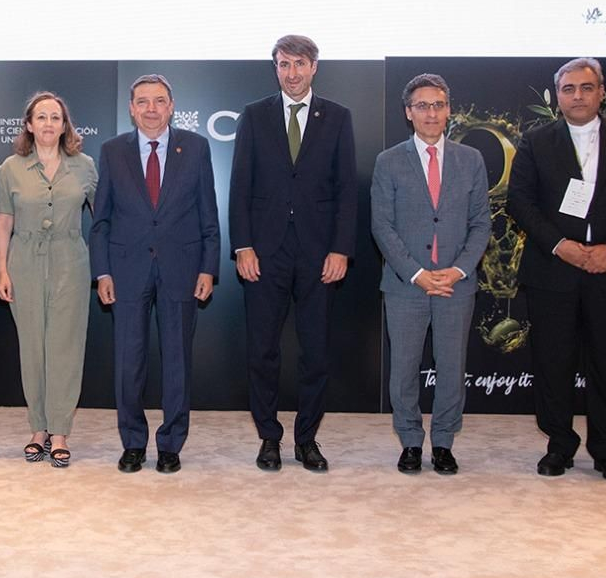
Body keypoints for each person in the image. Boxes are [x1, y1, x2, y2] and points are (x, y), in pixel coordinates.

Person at [507, 57, 606, 484]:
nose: (577, 96)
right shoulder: (536, 141)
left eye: (586, 87)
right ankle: (559, 444)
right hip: (553, 270)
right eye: (569, 89)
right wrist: (561, 246)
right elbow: (521, 201)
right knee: (553, 362)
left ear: (602, 92)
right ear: (557, 96)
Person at [230, 34, 357, 472]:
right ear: (276, 68)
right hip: (264, 254)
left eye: (300, 64)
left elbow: (346, 191)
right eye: (284, 65)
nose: (292, 73)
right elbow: (240, 186)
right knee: (262, 351)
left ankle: (307, 439)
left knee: (316, 352)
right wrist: (242, 246)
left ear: (314, 66)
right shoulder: (254, 115)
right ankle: (269, 437)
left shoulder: (338, 118)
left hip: (320, 254)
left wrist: (341, 249)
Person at [90, 75, 218, 474]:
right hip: (126, 270)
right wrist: (102, 272)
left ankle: (170, 444)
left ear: (171, 106)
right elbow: (101, 220)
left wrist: (208, 267)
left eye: (158, 101)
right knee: (129, 362)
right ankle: (132, 442)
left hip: (181, 268)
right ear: (131, 108)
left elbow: (208, 215)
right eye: (142, 101)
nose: (150, 109)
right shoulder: (112, 151)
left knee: (177, 361)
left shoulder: (195, 147)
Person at [370, 74, 491, 475]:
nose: (431, 113)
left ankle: (443, 442)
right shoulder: (388, 161)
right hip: (407, 285)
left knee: (452, 367)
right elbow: (382, 227)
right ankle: (409, 441)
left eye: (438, 105)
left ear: (449, 110)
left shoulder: (470, 159)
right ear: (408, 113)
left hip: (456, 284)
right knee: (403, 369)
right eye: (422, 106)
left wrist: (457, 270)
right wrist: (418, 273)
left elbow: (481, 224)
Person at [0, 92, 98, 468]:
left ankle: (60, 432)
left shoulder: (84, 165)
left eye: (56, 117)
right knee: (33, 347)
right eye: (42, 117)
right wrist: (2, 270)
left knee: (65, 348)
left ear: (65, 124)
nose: (49, 124)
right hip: (24, 262)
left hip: (71, 260)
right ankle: (37, 428)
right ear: (29, 124)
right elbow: (4, 221)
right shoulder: (11, 168)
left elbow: (102, 218)